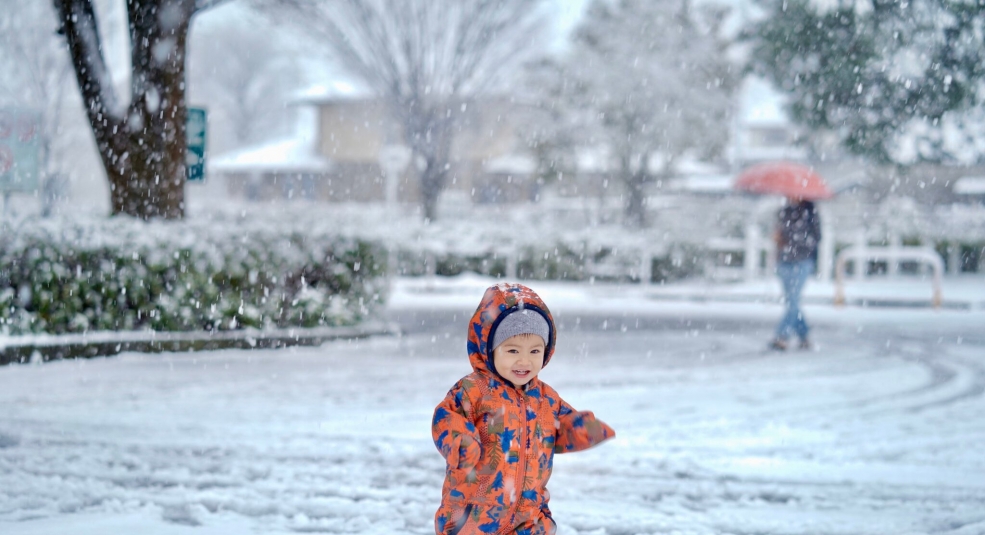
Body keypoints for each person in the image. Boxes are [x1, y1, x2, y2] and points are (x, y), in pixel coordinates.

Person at [431, 283, 615, 535]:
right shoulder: (473, 391)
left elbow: (562, 427)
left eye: (534, 351)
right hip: (472, 517)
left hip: (529, 518)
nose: (524, 360)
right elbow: (446, 419)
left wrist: (583, 430)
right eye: (513, 350)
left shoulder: (546, 398)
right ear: (489, 350)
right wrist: (461, 443)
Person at [771, 197, 821, 350]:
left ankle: (782, 336)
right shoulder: (784, 211)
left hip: (802, 261)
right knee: (792, 301)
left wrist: (795, 241)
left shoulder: (811, 213)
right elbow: (780, 233)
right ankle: (804, 335)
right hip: (784, 261)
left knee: (793, 299)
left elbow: (817, 237)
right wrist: (778, 238)